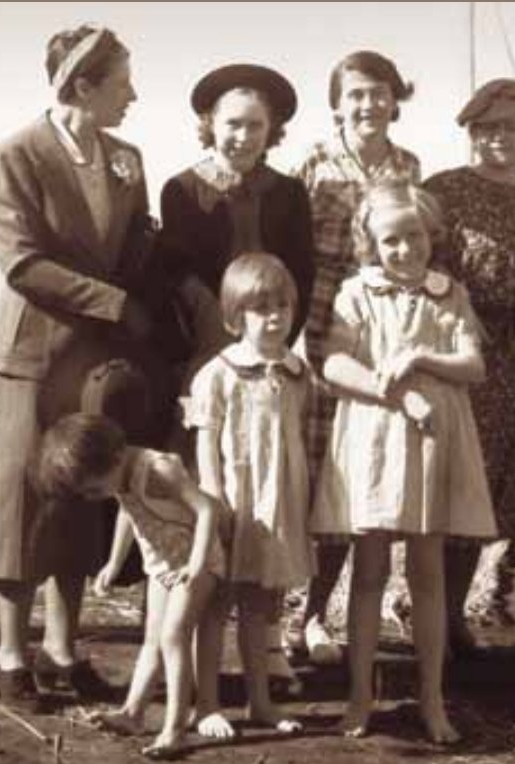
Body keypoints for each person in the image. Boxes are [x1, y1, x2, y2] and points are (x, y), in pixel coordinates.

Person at [0, 24, 156, 710]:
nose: (132, 96)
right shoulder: (17, 154)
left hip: (93, 360)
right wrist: (115, 303)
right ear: (83, 85)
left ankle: (61, 651)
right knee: (21, 506)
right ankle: (10, 656)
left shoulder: (127, 158)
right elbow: (22, 263)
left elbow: (136, 242)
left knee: (78, 498)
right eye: (122, 83)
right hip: (31, 354)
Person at [311, 180, 496, 743]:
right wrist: (395, 394)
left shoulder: (448, 292)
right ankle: (360, 697)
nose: (404, 249)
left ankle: (433, 699)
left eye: (413, 236)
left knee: (427, 574)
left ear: (430, 234)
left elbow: (474, 365)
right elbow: (334, 365)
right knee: (369, 572)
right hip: (376, 440)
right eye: (390, 240)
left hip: (434, 441)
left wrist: (419, 356)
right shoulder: (356, 293)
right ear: (371, 243)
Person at [157, 62, 315, 694]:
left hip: (269, 358)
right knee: (208, 499)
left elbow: (300, 274)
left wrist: (274, 343)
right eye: (231, 124)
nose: (241, 136)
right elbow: (175, 272)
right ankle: (191, 644)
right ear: (210, 125)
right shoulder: (182, 189)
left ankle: (267, 644)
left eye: (254, 126)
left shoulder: (289, 194)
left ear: (271, 131)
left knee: (267, 499)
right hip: (207, 352)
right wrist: (219, 334)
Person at [424, 78, 515, 657]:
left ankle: (453, 617)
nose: (497, 138)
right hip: (453, 352)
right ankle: (431, 618)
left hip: (510, 360)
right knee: (445, 486)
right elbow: (420, 265)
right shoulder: (443, 191)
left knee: (483, 492)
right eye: (485, 129)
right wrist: (458, 308)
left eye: (510, 127)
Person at [291, 50, 421, 666]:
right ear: (338, 104)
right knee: (303, 472)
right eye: (356, 95)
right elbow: (290, 252)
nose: (368, 105)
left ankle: (315, 615)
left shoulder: (408, 166)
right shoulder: (314, 164)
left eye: (379, 93)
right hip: (316, 330)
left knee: (350, 476)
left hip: (377, 335)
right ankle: (281, 612)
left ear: (395, 99)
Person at [36, 413, 224, 759]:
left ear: (115, 458)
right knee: (152, 638)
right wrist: (114, 562)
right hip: (163, 563)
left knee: (174, 635)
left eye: (93, 489)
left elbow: (207, 509)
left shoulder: (159, 469)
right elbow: (129, 511)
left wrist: (197, 565)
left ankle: (175, 730)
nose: (92, 497)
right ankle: (132, 713)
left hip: (197, 560)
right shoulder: (119, 476)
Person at [185, 253, 314, 737]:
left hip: (274, 504)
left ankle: (260, 702)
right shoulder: (218, 373)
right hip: (233, 503)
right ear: (235, 316)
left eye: (283, 306)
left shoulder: (298, 372)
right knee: (215, 607)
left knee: (259, 607)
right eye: (262, 309)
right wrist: (214, 498)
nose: (275, 317)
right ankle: (206, 704)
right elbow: (206, 440)